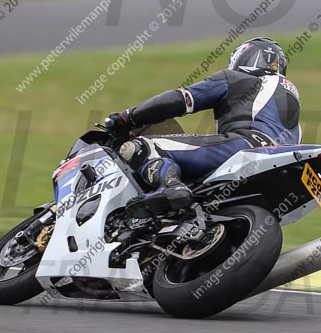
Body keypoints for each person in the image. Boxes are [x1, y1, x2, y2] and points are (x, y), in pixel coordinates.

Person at [105, 37, 301, 218]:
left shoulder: (238, 79)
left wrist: (127, 117)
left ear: (247, 58)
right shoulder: (293, 114)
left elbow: (179, 100)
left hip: (245, 146)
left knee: (142, 146)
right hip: (279, 167)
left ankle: (171, 187)